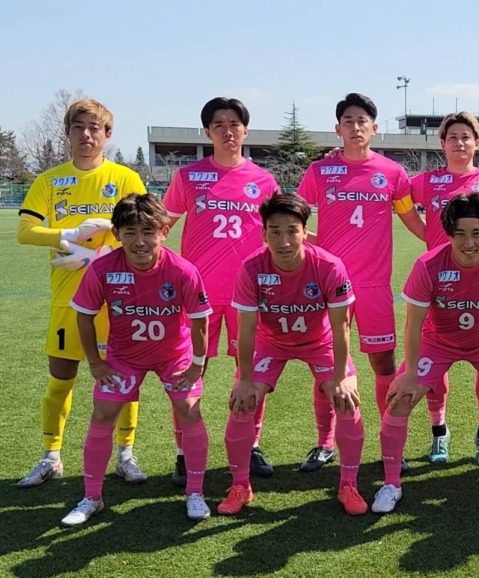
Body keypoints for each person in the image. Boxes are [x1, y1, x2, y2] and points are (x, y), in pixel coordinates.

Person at [373, 193, 479, 514]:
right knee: (399, 399)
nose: (469, 243)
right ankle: (391, 484)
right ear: (449, 233)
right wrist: (410, 374)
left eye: (477, 234)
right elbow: (413, 325)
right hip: (438, 342)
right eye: (460, 234)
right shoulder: (428, 265)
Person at [16, 98, 149, 488]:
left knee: (123, 380)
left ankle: (126, 455)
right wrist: (66, 236)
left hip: (118, 297)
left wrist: (100, 255)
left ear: (107, 135)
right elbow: (25, 231)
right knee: (61, 379)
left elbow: (146, 231)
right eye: (79, 127)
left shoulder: (125, 179)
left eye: (94, 128)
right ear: (68, 133)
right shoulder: (49, 181)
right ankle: (51, 456)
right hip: (68, 298)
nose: (86, 135)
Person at [61, 194, 212, 526]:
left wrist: (197, 364)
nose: (140, 241)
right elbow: (84, 316)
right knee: (103, 413)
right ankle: (92, 497)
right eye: (130, 232)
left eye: (148, 231)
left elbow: (200, 320)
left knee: (189, 409)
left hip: (173, 356)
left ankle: (195, 492)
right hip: (124, 357)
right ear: (117, 234)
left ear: (164, 232)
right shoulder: (103, 269)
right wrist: (95, 362)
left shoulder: (182, 270)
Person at [297, 93, 425, 472]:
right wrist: (319, 247)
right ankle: (324, 443)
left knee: (383, 363)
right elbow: (294, 220)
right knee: (327, 365)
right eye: (348, 121)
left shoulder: (392, 173)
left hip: (374, 287)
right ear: (337, 129)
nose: (355, 127)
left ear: (374, 128)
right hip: (328, 285)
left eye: (362, 121)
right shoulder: (320, 172)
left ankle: (390, 442)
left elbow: (412, 220)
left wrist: (443, 244)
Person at [218, 193, 367, 516]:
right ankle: (240, 486)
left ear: (305, 232)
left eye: (292, 231)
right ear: (263, 233)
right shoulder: (252, 268)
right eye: (275, 231)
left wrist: (341, 378)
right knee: (242, 403)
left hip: (319, 341)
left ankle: (349, 485)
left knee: (347, 401)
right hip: (270, 342)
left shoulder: (329, 266)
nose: (284, 241)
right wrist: (244, 379)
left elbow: (341, 327)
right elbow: (246, 330)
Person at [164, 97, 281, 486]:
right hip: (196, 295)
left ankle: (250, 444)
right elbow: (162, 226)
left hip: (249, 296)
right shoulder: (188, 177)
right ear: (207, 132)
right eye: (219, 125)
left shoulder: (264, 182)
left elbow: (283, 232)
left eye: (234, 124)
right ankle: (185, 453)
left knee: (250, 371)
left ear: (245, 130)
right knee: (189, 370)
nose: (228, 131)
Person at [408, 111, 479, 466]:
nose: (459, 143)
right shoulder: (427, 181)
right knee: (434, 370)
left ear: (477, 142)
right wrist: (424, 232)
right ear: (442, 143)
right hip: (438, 286)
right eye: (452, 137)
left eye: (466, 137)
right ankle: (439, 432)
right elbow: (396, 197)